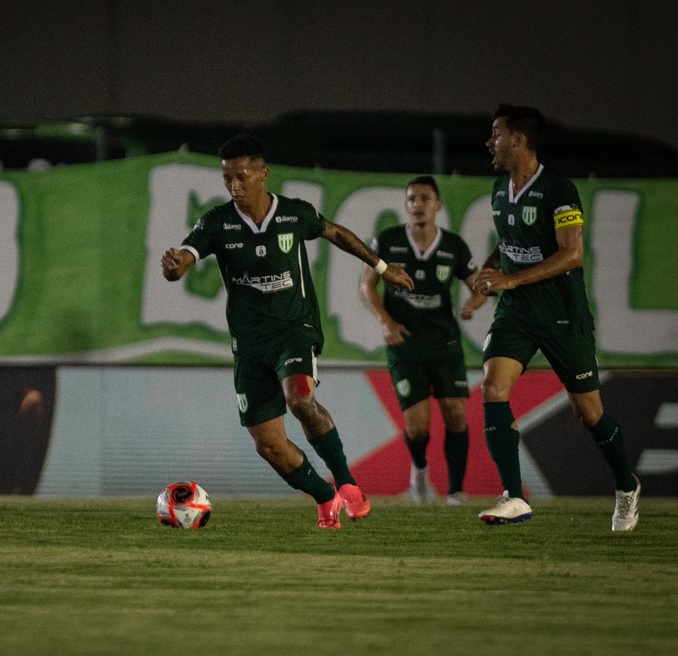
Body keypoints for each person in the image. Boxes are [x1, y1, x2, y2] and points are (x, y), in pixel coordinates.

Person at [161, 134, 414, 528]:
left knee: (299, 398)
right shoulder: (217, 222)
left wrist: (383, 269)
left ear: (263, 174)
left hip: (295, 329)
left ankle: (347, 483)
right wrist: (174, 267)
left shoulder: (294, 214)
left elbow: (338, 234)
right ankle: (325, 495)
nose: (234, 187)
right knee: (269, 445)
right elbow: (185, 259)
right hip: (249, 345)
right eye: (227, 179)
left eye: (242, 177)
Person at [473, 104, 640, 530]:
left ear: (520, 139)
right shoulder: (498, 189)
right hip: (517, 313)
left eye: (496, 133)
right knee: (493, 387)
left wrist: (511, 281)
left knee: (589, 414)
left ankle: (626, 486)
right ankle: (514, 496)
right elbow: (508, 241)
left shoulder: (558, 189)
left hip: (562, 314)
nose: (489, 142)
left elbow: (573, 255)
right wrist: (490, 272)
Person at [359, 175, 487, 506]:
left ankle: (456, 491)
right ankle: (418, 470)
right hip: (405, 345)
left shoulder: (454, 246)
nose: (418, 204)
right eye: (412, 199)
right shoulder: (387, 241)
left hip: (444, 344)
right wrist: (385, 321)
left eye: (425, 198)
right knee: (418, 428)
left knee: (456, 414)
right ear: (406, 206)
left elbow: (479, 287)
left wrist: (474, 302)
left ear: (438, 206)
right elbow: (366, 285)